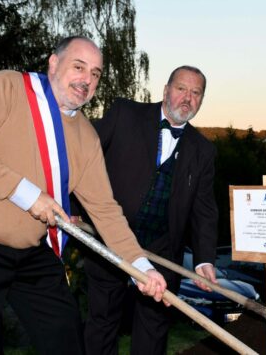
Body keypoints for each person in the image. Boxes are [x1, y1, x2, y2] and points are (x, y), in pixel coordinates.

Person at [0, 36, 167, 355]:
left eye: (95, 73)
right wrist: (30, 195)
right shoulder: (7, 87)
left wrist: (141, 267)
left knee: (65, 334)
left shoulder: (87, 138)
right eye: (78, 67)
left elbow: (106, 211)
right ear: (53, 63)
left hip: (27, 249)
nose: (87, 79)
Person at [81, 65, 219, 355]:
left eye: (196, 93)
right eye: (181, 88)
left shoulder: (203, 151)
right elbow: (83, 157)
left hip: (163, 252)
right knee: (103, 323)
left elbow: (204, 209)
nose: (187, 98)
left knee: (154, 331)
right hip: (110, 242)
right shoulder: (124, 114)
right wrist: (74, 208)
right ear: (166, 90)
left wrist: (204, 259)